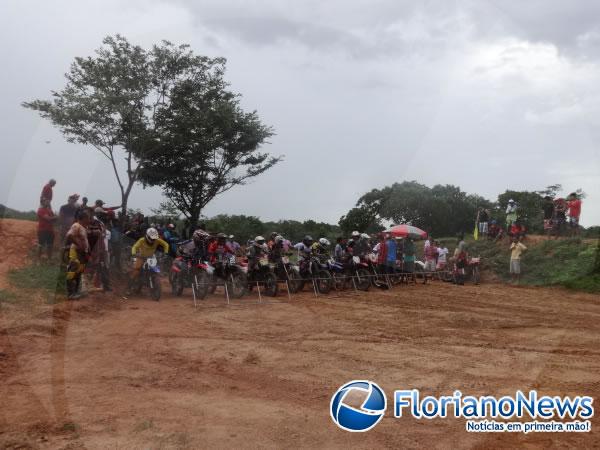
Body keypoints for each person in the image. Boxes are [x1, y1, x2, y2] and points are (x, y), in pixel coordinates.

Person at [128, 228, 169, 293]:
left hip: (151, 257)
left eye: (154, 238)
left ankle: (152, 281)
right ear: (147, 236)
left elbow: (166, 245)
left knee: (156, 268)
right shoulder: (142, 240)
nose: (153, 239)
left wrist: (166, 253)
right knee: (136, 270)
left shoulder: (157, 240)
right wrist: (134, 253)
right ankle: (129, 287)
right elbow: (135, 247)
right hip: (141, 257)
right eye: (151, 238)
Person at [65, 211, 91, 299]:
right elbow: (69, 235)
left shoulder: (83, 227)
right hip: (76, 251)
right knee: (73, 271)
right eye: (88, 218)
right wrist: (79, 244)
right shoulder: (76, 225)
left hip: (82, 253)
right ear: (83, 218)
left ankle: (76, 292)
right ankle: (70, 293)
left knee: (78, 272)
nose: (89, 220)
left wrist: (87, 250)